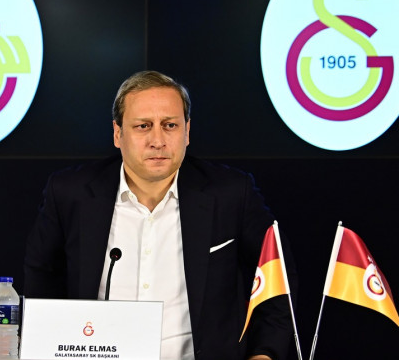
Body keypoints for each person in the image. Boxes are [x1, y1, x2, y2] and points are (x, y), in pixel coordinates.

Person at [24, 71, 296, 360]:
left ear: (187, 132)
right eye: (143, 126)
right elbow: (42, 280)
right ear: (118, 134)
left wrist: (264, 355)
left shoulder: (231, 194)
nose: (158, 140)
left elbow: (278, 280)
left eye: (170, 125)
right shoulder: (71, 194)